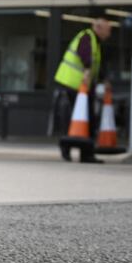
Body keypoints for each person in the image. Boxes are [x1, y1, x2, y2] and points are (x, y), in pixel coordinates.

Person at [52, 18, 111, 163]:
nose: (109, 34)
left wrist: (104, 79)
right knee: (75, 119)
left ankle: (86, 153)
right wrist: (86, 69)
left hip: (84, 87)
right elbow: (85, 55)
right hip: (72, 85)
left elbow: (97, 64)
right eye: (108, 30)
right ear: (98, 28)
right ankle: (70, 150)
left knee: (87, 119)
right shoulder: (87, 37)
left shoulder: (96, 42)